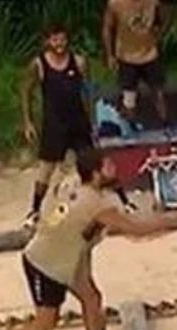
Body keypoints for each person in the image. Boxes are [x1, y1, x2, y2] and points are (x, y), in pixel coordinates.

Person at [0, 149, 172, 330]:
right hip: (45, 262)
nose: (114, 169)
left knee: (92, 299)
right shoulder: (96, 204)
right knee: (47, 320)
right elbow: (136, 231)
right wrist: (176, 220)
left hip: (71, 257)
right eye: (108, 166)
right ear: (96, 173)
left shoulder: (75, 182)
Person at [20, 25, 137, 230]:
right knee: (46, 170)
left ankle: (125, 202)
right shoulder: (39, 64)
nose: (59, 44)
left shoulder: (80, 62)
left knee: (96, 163)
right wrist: (28, 121)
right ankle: (34, 211)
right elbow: (26, 91)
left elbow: (87, 92)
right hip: (54, 124)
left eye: (62, 39)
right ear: (47, 42)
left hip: (78, 122)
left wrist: (92, 120)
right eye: (55, 40)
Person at [102, 0, 172, 133]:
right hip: (126, 55)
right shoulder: (115, 4)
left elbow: (166, 16)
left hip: (149, 54)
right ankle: (129, 127)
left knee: (158, 92)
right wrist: (110, 55)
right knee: (129, 97)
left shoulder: (153, 2)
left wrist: (159, 35)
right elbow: (107, 28)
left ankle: (166, 124)